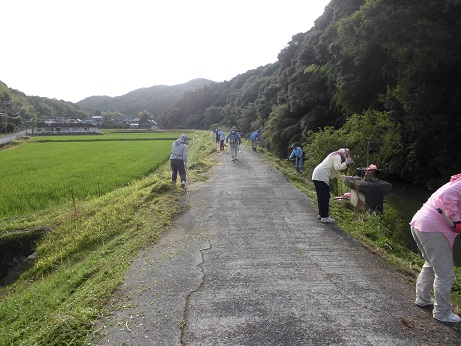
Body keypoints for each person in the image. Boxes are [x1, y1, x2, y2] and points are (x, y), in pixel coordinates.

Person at [410, 173, 461, 323]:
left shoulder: (456, 182)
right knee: (445, 273)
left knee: (432, 264)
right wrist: (456, 220)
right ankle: (442, 312)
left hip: (422, 224)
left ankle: (423, 297)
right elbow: (447, 196)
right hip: (433, 229)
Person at [312, 148, 354, 223]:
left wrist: (347, 178)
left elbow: (336, 173)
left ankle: (321, 214)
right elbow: (337, 168)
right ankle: (324, 216)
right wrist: (346, 163)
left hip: (317, 175)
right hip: (321, 176)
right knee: (325, 197)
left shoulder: (333, 155)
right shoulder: (337, 156)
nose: (344, 158)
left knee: (321, 196)